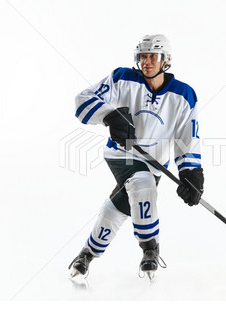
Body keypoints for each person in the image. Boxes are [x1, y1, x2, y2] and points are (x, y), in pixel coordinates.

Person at [68, 34, 204, 280]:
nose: (147, 62)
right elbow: (82, 101)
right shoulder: (122, 78)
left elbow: (187, 137)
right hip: (120, 153)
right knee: (142, 184)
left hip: (155, 164)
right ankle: (150, 248)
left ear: (166, 60)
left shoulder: (184, 95)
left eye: (153, 56)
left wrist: (190, 173)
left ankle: (87, 254)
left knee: (119, 207)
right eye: (142, 56)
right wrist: (109, 115)